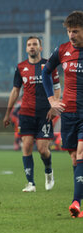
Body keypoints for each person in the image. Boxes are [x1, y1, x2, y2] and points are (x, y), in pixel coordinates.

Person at [3, 36, 60, 193]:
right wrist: (7, 113)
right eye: (29, 45)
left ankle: (48, 171)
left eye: (35, 44)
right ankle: (31, 184)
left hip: (45, 114)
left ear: (40, 48)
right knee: (26, 146)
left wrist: (54, 105)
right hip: (26, 113)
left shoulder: (49, 65)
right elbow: (15, 91)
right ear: (26, 49)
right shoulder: (21, 67)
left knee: (42, 149)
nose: (32, 47)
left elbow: (56, 87)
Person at [42, 11, 83, 218]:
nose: (71, 35)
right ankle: (79, 197)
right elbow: (45, 72)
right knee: (75, 158)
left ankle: (75, 202)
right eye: (69, 31)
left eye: (75, 31)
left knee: (82, 153)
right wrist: (51, 100)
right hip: (69, 113)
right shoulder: (63, 50)